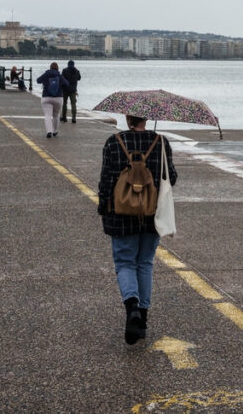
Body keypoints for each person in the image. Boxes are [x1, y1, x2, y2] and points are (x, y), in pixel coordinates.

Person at [97, 115, 176, 344]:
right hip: (152, 213)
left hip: (120, 214)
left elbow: (106, 181)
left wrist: (104, 209)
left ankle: (131, 306)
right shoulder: (161, 142)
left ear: (127, 117)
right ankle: (142, 317)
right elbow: (171, 177)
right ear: (147, 117)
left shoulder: (113, 142)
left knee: (124, 262)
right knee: (145, 263)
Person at [36, 62, 69, 138]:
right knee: (56, 115)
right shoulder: (59, 75)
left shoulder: (46, 74)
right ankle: (55, 131)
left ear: (50, 67)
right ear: (57, 68)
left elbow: (38, 80)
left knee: (47, 115)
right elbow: (67, 84)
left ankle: (49, 132)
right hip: (58, 98)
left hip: (46, 98)